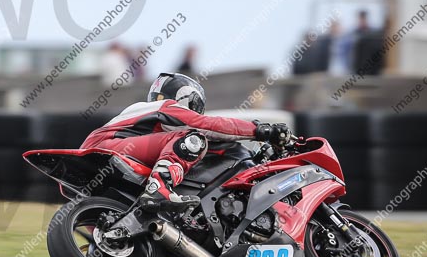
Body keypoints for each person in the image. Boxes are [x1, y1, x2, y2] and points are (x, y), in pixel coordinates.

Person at [80, 73, 292, 210]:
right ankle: (159, 189)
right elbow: (207, 125)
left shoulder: (143, 113)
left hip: (101, 155)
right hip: (110, 147)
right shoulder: (168, 107)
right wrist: (260, 130)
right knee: (192, 139)